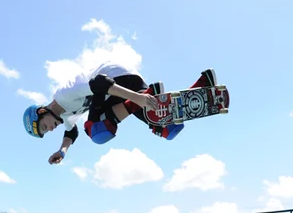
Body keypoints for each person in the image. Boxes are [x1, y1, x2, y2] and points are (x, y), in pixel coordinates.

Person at [23, 63, 218, 162]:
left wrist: (137, 98)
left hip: (116, 78)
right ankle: (202, 86)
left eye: (44, 125)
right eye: (46, 131)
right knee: (168, 130)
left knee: (96, 130)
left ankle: (142, 98)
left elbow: (100, 82)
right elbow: (71, 132)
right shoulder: (64, 116)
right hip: (127, 85)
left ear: (42, 111)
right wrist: (62, 151)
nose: (50, 129)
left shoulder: (64, 95)